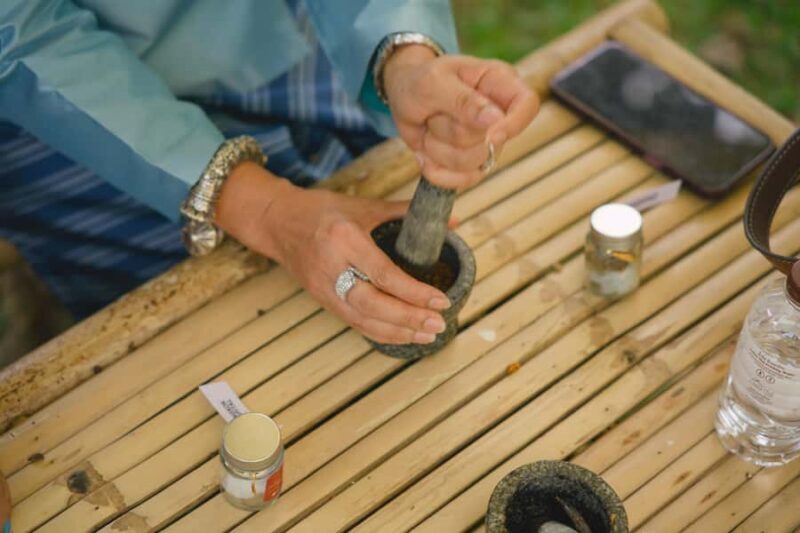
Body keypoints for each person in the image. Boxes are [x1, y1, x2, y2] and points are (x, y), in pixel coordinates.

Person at [0, 0, 538, 349]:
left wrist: (403, 52)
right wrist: (264, 210)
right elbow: (18, 31)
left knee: (361, 178)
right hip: (59, 95)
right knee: (198, 339)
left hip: (262, 21)